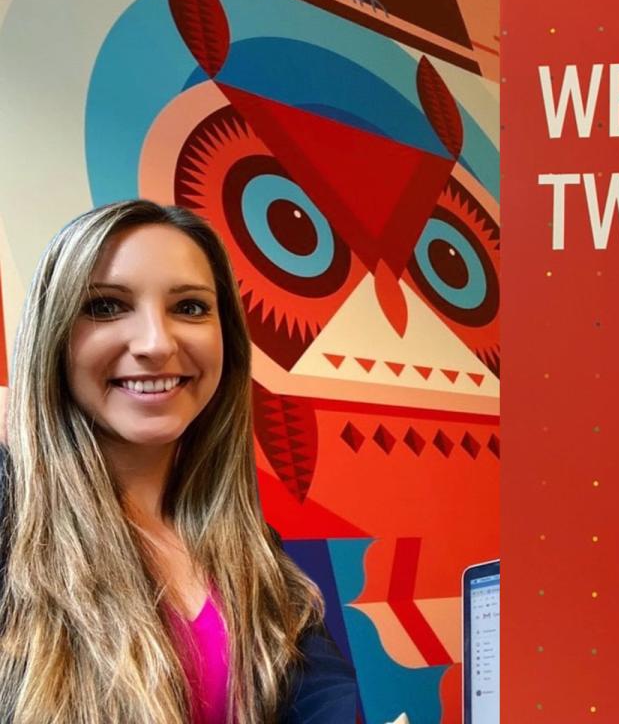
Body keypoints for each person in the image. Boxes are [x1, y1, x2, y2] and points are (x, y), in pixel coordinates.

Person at [0, 201, 356, 723]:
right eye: (106, 306)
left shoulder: (254, 546)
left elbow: (327, 699)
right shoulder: (11, 516)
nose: (156, 343)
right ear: (53, 336)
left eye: (189, 307)